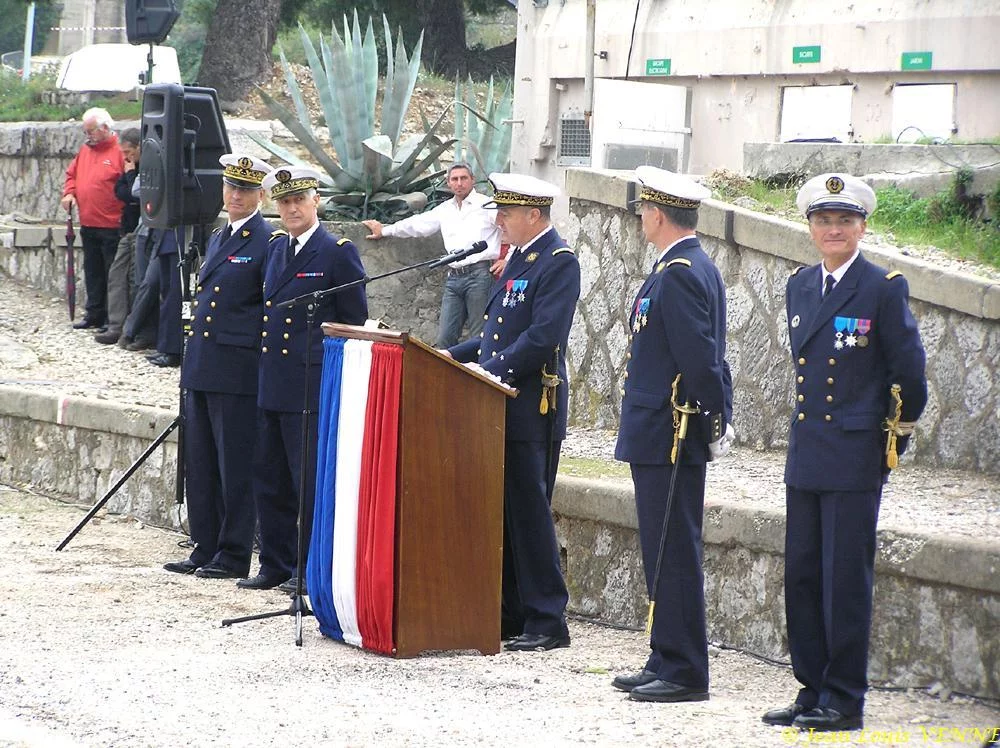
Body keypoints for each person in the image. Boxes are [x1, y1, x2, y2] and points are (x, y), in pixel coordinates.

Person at [762, 174, 927, 732]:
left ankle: (844, 698)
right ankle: (811, 688)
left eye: (844, 221)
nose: (833, 229)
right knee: (803, 577)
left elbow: (910, 377)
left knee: (844, 582)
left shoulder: (882, 288)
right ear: (811, 228)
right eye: (824, 220)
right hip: (808, 449)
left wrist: (890, 442)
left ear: (862, 227)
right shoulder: (800, 285)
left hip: (855, 454)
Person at [612, 166, 733, 703]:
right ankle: (664, 654)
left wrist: (712, 420)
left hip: (671, 431)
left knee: (673, 549)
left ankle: (684, 670)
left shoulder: (681, 271)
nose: (641, 218)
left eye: (644, 210)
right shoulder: (679, 266)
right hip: (660, 429)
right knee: (661, 549)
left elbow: (701, 360)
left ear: (657, 214)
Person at [445, 172, 580, 652]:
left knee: (530, 514)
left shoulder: (558, 262)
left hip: (530, 407)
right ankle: (510, 613)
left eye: (506, 212)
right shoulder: (520, 257)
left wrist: (487, 371)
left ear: (533, 215)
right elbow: (494, 334)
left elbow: (542, 337)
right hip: (500, 403)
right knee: (504, 514)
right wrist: (450, 356)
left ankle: (547, 619)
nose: (499, 220)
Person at [239, 167, 369, 591]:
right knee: (269, 478)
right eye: (285, 202)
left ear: (317, 202)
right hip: (273, 381)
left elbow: (352, 322)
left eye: (299, 200)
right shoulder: (277, 248)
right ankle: (275, 563)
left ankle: (309, 569)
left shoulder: (336, 252)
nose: (292, 208)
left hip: (310, 386)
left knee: (307, 482)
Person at [163, 155, 275, 579]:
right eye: (231, 187)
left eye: (244, 190)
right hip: (204, 364)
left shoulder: (267, 241)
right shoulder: (217, 236)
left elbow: (267, 308)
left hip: (237, 369)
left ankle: (232, 553)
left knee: (234, 465)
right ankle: (205, 544)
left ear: (260, 195)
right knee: (202, 463)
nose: (235, 196)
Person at [362, 162, 501, 347]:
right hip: (454, 277)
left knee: (479, 336)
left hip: (480, 275)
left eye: (464, 178)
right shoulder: (445, 209)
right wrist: (385, 231)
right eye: (455, 179)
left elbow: (510, 226)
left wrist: (508, 259)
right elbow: (418, 224)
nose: (459, 183)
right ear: (448, 183)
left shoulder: (486, 204)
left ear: (472, 180)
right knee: (444, 338)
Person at [60, 107, 125, 331]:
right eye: (85, 131)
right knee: (93, 271)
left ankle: (110, 317)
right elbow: (72, 175)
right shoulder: (85, 151)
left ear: (105, 128)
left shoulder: (119, 151)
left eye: (91, 131)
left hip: (112, 224)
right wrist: (69, 192)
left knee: (111, 273)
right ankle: (94, 313)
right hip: (88, 222)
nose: (88, 136)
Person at [95, 128, 141, 346]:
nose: (126, 157)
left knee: (134, 280)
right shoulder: (129, 167)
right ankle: (116, 326)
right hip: (127, 228)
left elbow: (135, 193)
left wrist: (131, 175)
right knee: (116, 275)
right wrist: (129, 180)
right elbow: (120, 191)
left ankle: (130, 328)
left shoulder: (142, 168)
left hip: (140, 229)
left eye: (129, 152)